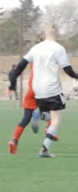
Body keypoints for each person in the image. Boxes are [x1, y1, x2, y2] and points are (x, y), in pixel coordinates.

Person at [9, 25, 77, 158]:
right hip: (52, 87)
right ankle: (44, 149)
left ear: (44, 34)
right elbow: (68, 70)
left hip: (37, 89)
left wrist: (12, 82)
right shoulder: (58, 48)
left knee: (50, 115)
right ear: (56, 34)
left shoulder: (35, 48)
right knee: (56, 119)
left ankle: (39, 115)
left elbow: (20, 66)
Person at [8, 62, 57, 154]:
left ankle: (14, 141)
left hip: (30, 92)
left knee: (25, 119)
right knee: (53, 114)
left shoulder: (34, 64)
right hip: (41, 92)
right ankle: (48, 128)